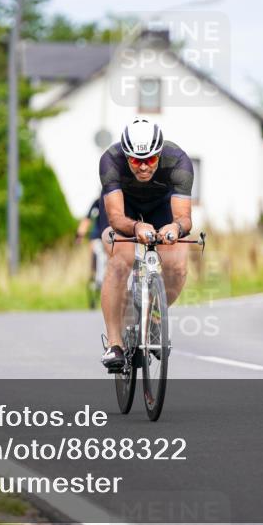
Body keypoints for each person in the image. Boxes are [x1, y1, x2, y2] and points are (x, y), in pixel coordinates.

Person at [98, 118, 194, 371]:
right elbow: (116, 217)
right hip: (124, 208)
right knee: (120, 261)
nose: (143, 167)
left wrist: (176, 228)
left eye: (150, 160)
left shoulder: (178, 160)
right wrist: (137, 227)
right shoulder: (111, 160)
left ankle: (153, 317)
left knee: (177, 266)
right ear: (126, 156)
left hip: (163, 207)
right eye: (136, 161)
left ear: (160, 154)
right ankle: (115, 344)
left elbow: (184, 217)